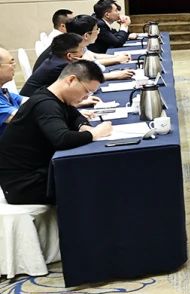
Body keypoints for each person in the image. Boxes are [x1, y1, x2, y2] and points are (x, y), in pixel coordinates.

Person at [0, 61, 112, 204]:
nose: (86, 97)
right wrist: (94, 134)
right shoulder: (46, 105)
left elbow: (76, 116)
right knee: (99, 184)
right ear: (71, 80)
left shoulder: (54, 96)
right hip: (25, 185)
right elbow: (62, 139)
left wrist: (84, 126)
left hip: (38, 173)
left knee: (99, 175)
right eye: (86, 91)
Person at [20, 33, 87, 97]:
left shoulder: (55, 59)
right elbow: (80, 85)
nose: (84, 52)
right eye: (82, 49)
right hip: (33, 101)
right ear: (69, 56)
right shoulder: (61, 66)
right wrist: (86, 63)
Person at [0, 48, 24, 137]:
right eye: (11, 63)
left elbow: (32, 101)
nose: (14, 65)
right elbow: (24, 119)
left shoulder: (4, 93)